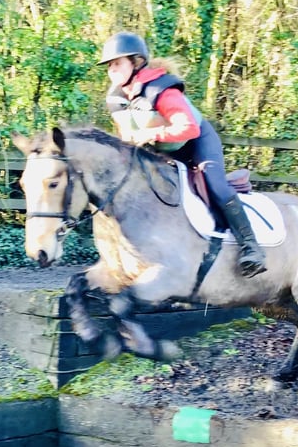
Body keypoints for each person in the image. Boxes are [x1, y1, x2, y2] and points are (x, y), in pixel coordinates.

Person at [97, 31, 267, 278]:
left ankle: (251, 247)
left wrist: (150, 135)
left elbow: (188, 128)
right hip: (161, 149)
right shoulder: (116, 98)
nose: (111, 70)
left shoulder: (162, 90)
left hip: (196, 143)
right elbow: (126, 136)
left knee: (215, 185)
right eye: (109, 65)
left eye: (117, 63)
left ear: (136, 62)